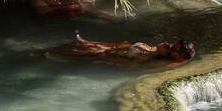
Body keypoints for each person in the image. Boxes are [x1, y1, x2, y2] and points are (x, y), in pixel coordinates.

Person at [54, 35, 196, 63]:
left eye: (169, 47)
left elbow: (113, 58)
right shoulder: (151, 49)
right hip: (104, 47)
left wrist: (102, 54)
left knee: (76, 53)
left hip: (101, 53)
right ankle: (82, 42)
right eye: (171, 43)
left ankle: (60, 55)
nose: (167, 43)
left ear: (168, 54)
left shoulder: (145, 55)